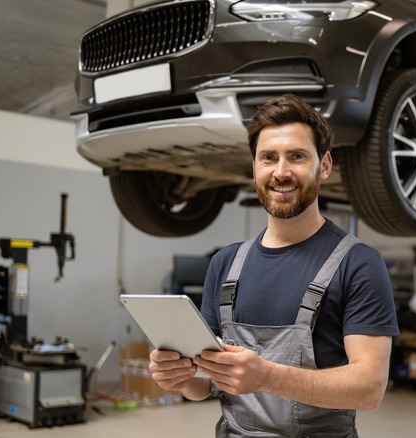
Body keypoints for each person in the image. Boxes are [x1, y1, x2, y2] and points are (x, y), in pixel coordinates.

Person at [149, 93, 400, 437]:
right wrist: (178, 376)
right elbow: (203, 386)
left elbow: (369, 388)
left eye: (297, 156)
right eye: (268, 157)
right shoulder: (225, 264)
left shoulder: (359, 263)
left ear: (324, 165)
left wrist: (267, 376)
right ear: (254, 167)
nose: (281, 172)